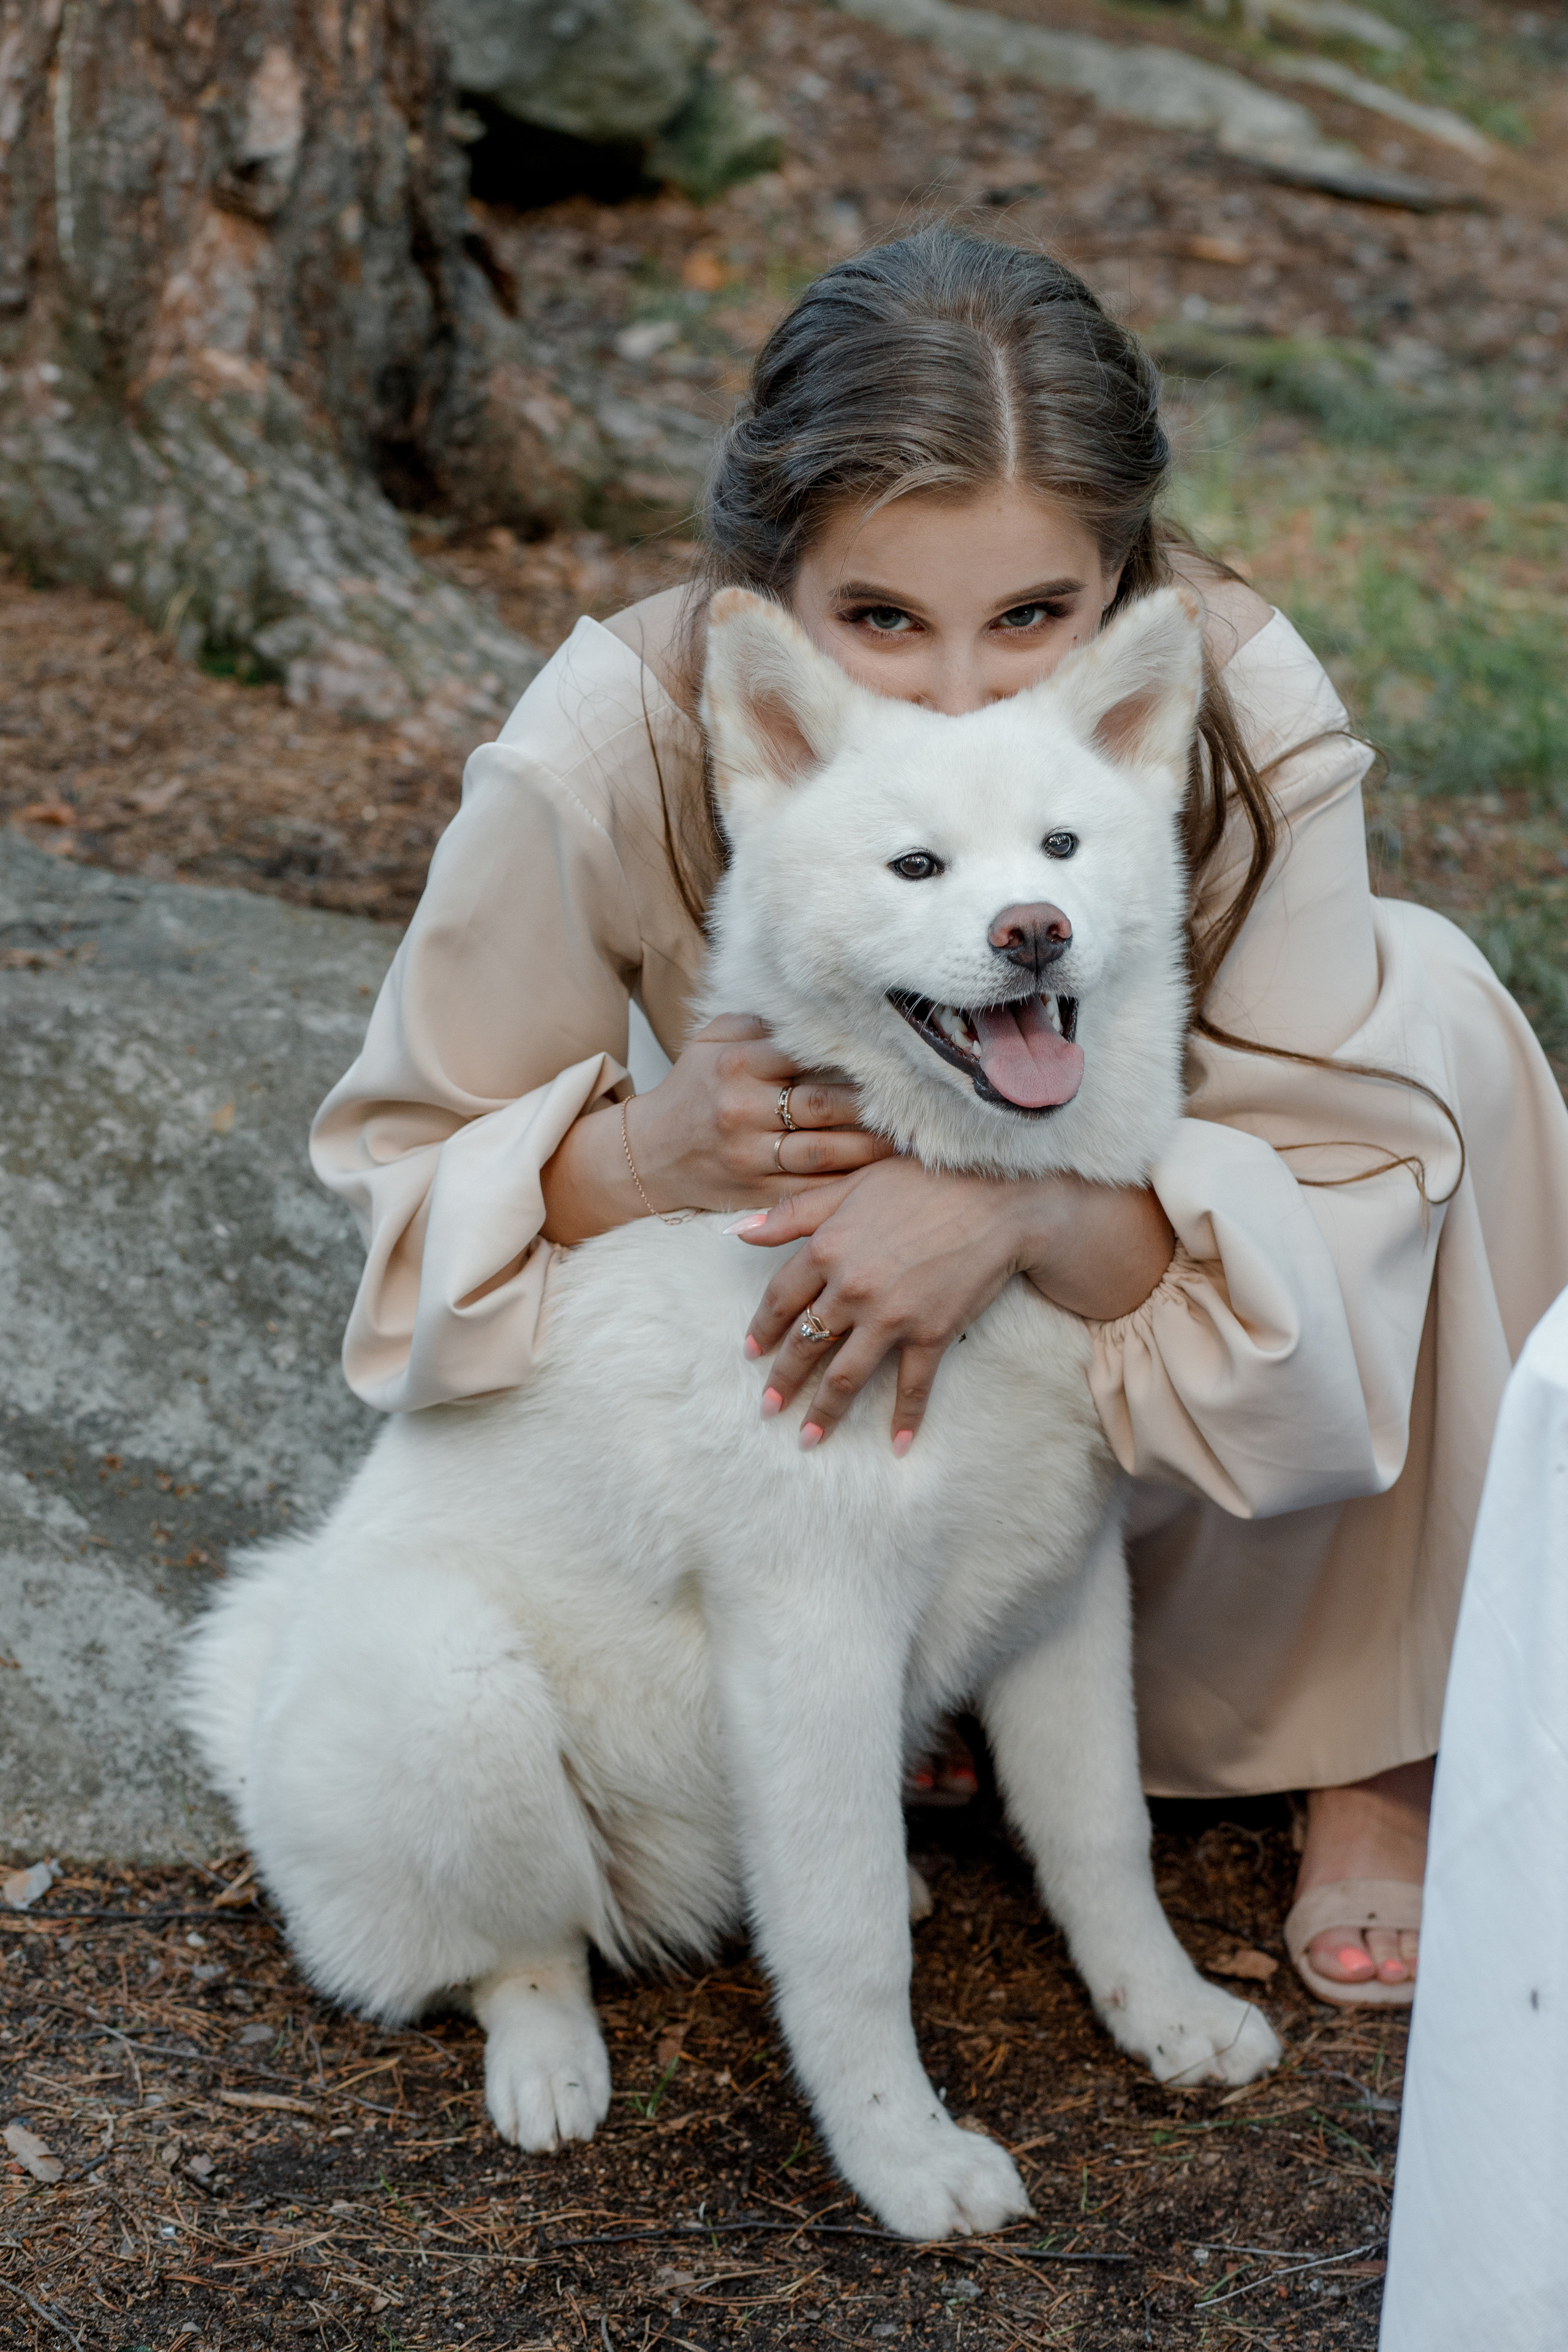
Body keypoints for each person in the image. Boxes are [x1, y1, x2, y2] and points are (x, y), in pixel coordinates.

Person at [311, 228, 1568, 2007]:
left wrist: (1021, 1203)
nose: (972, 697)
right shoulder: (632, 725)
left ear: (1126, 580)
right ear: (774, 582)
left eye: (1035, 617)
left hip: (1176, 1394)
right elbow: (411, 1172)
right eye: (886, 621)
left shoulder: (1222, 695)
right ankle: (932, 1677)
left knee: (1430, 989)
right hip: (829, 1432)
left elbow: (1334, 1232)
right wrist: (651, 1151)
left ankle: (1378, 1729)